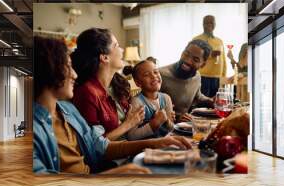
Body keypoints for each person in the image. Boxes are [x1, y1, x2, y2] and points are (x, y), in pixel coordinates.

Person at [33, 36, 192, 174]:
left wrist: (156, 143)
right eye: (67, 67)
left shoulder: (68, 110)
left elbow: (100, 146)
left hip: (108, 171)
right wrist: (112, 176)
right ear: (49, 69)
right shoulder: (33, 130)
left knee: (185, 163)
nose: (74, 74)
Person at [71, 28, 144, 141]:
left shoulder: (118, 84)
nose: (122, 50)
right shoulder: (86, 93)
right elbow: (94, 145)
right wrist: (128, 124)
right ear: (105, 57)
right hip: (112, 157)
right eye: (117, 46)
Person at [160, 39, 213, 123]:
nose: (187, 60)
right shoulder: (161, 75)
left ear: (203, 64)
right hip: (165, 128)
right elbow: (151, 107)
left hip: (185, 125)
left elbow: (198, 97)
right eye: (186, 54)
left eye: (195, 60)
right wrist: (176, 118)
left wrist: (211, 101)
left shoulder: (197, 76)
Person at [125, 57, 174, 140]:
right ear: (138, 83)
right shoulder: (137, 102)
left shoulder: (166, 98)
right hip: (144, 149)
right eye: (146, 75)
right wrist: (154, 123)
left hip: (164, 144)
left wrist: (167, 121)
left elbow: (171, 129)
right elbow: (131, 136)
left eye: (156, 72)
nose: (154, 76)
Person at [193, 15, 227, 98]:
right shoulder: (197, 39)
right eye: (206, 23)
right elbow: (194, 57)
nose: (209, 24)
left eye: (212, 22)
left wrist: (223, 76)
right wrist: (211, 55)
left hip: (217, 78)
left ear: (215, 24)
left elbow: (223, 59)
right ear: (203, 24)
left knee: (216, 104)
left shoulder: (219, 41)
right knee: (203, 104)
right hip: (202, 76)